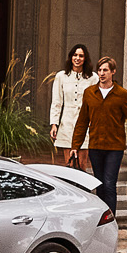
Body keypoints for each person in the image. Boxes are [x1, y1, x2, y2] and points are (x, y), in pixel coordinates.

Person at [67, 55, 127, 213]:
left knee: (109, 184)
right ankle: (101, 221)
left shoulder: (122, 94)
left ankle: (111, 221)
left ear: (113, 72)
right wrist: (75, 146)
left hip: (114, 147)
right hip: (96, 146)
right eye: (99, 70)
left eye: (105, 70)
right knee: (99, 185)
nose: (102, 73)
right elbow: (82, 121)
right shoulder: (90, 93)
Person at [49, 43, 94, 171]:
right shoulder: (61, 76)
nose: (77, 58)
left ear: (85, 58)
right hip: (67, 122)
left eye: (81, 55)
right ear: (71, 57)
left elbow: (96, 103)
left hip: (85, 122)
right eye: (75, 55)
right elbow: (56, 102)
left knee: (82, 164)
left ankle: (82, 190)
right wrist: (54, 124)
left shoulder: (93, 77)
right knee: (69, 164)